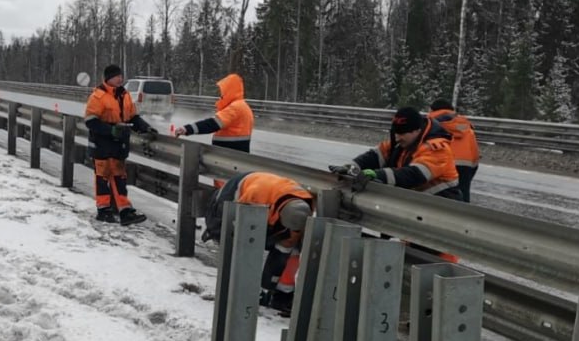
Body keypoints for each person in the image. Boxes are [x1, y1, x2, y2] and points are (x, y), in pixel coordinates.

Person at [202, 171, 316, 315]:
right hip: (237, 193)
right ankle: (234, 289)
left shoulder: (303, 211)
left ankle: (279, 295)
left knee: (291, 249)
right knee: (231, 237)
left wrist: (269, 284)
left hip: (275, 199)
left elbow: (285, 247)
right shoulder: (254, 196)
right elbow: (242, 231)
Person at [331, 106, 462, 200]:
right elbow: (375, 156)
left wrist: (378, 174)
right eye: (396, 133)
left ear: (416, 130)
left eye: (402, 133)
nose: (397, 138)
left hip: (441, 208)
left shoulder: (437, 149)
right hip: (417, 205)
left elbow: (414, 175)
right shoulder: (403, 142)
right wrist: (351, 167)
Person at [83, 64, 158, 225]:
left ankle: (124, 211)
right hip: (101, 142)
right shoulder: (98, 96)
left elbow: (132, 117)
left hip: (119, 144)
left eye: (121, 76)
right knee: (103, 177)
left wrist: (145, 127)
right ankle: (104, 210)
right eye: (116, 76)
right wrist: (111, 131)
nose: (120, 78)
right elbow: (90, 121)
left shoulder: (125, 95)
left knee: (119, 177)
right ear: (108, 78)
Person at [172, 72, 254, 152]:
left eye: (223, 91)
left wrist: (187, 129)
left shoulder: (235, 107)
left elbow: (212, 124)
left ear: (230, 90)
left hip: (228, 156)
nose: (221, 95)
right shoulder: (243, 106)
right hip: (235, 156)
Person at [428, 97, 480, 202]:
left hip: (444, 163)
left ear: (433, 110)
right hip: (466, 165)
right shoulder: (465, 125)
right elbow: (474, 151)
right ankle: (463, 217)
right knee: (463, 196)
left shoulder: (431, 122)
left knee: (440, 195)